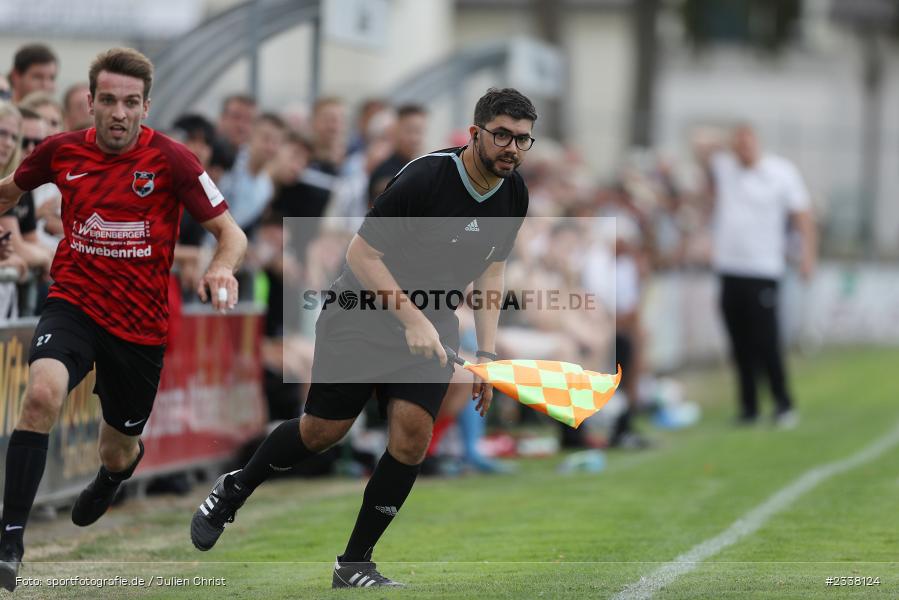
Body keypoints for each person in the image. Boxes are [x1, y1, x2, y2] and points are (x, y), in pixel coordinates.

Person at [190, 87, 537, 588]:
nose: (511, 147)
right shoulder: (426, 177)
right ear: (475, 133)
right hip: (361, 311)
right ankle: (235, 488)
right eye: (502, 134)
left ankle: (354, 563)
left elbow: (493, 271)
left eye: (522, 139)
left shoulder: (514, 192)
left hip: (435, 317)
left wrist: (486, 352)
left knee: (413, 435)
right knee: (323, 432)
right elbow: (359, 256)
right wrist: (411, 319)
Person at [0, 47, 248, 592]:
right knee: (41, 394)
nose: (119, 113)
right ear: (89, 103)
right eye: (108, 100)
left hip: (138, 327)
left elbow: (232, 233)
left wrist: (222, 270)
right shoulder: (59, 151)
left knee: (117, 447)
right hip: (73, 302)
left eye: (130, 102)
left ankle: (114, 473)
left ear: (146, 105)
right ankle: (9, 542)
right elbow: (8, 194)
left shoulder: (174, 160)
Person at [705, 124, 816, 428]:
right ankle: (748, 406)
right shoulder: (725, 168)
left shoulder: (780, 172)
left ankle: (782, 402)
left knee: (766, 340)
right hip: (730, 267)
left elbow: (803, 216)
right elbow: (700, 144)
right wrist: (722, 143)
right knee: (738, 341)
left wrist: (807, 256)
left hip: (763, 268)